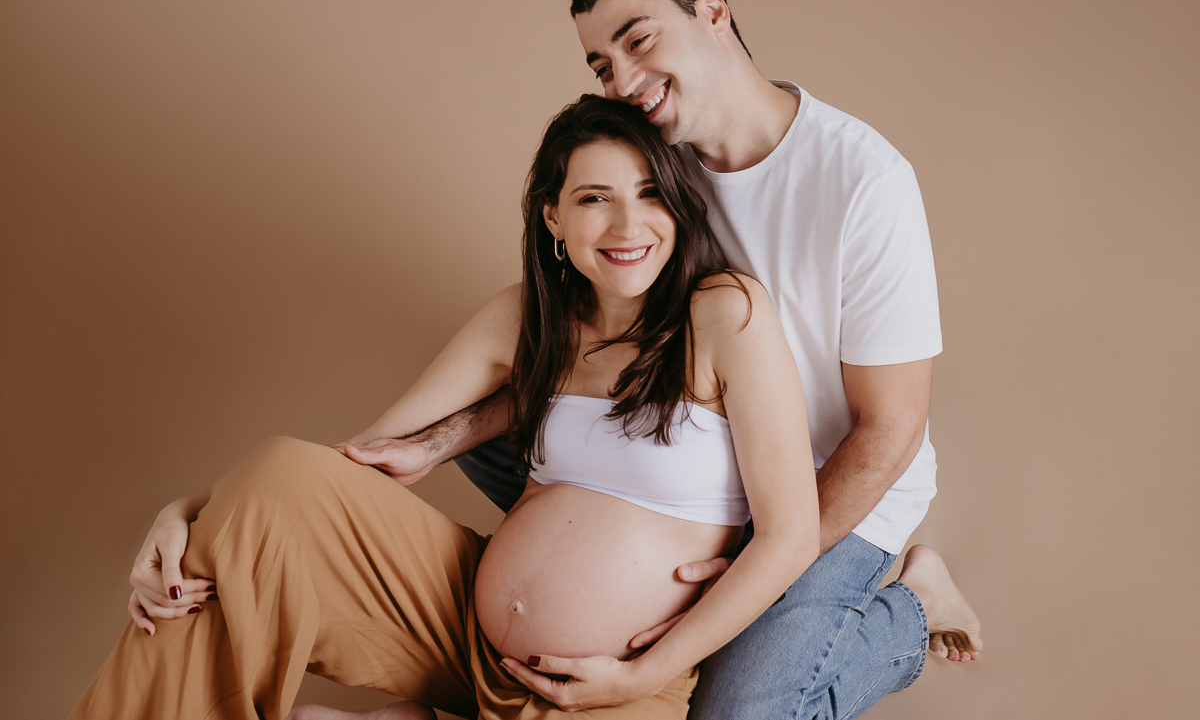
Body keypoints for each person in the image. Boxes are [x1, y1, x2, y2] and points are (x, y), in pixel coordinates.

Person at [358, 0, 983, 720]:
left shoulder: (862, 181)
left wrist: (762, 560)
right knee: (486, 401)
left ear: (714, 10)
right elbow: (594, 365)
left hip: (831, 489)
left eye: (638, 39)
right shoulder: (653, 176)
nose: (621, 79)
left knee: (738, 713)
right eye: (600, 65)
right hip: (698, 445)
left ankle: (912, 611)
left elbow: (890, 430)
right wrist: (438, 437)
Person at [71, 95, 821, 720]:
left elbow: (789, 535)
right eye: (595, 199)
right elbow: (348, 461)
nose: (630, 227)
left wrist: (645, 670)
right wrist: (191, 511)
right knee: (276, 481)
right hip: (462, 631)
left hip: (616, 686)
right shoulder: (527, 317)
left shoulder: (723, 314)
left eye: (649, 193)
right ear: (553, 217)